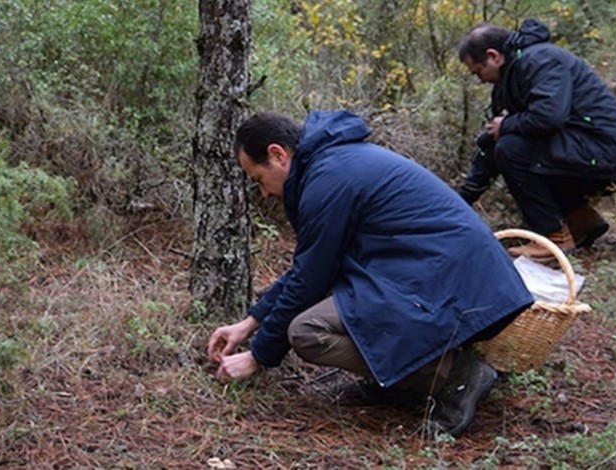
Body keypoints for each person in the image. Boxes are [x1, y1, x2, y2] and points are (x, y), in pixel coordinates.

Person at [207, 110, 534, 437]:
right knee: (346, 305)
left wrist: (259, 355)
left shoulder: (328, 179)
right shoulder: (330, 165)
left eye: (258, 180)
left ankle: (455, 374)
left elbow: (309, 281)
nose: (263, 193)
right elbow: (309, 268)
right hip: (444, 274)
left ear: (277, 155)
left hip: (448, 278)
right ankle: (399, 377)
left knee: (307, 332)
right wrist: (250, 323)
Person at [456, 18, 616, 258]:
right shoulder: (509, 80)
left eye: (478, 71)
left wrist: (507, 125)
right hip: (586, 150)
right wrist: (461, 199)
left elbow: (548, 117)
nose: (479, 79)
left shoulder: (541, 60)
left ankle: (552, 238)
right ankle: (581, 220)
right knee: (508, 145)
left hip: (606, 152)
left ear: (493, 56)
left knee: (512, 149)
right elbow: (492, 145)